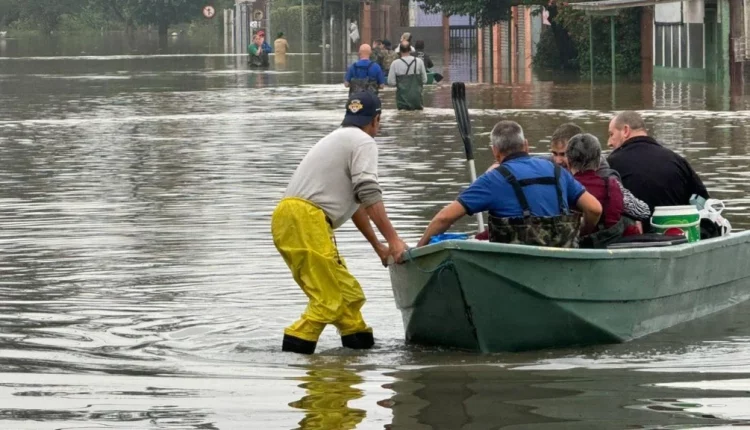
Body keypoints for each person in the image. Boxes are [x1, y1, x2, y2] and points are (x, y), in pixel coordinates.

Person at [271, 91, 407, 355]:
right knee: (328, 300)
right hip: (305, 220)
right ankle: (294, 367)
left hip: (295, 219)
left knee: (347, 296)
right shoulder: (364, 142)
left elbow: (356, 205)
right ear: (376, 120)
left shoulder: (340, 137)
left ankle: (353, 369)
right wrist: (394, 240)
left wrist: (379, 247)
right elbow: (368, 192)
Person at [416, 121, 602, 248]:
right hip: (562, 259)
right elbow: (594, 209)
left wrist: (418, 249)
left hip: (516, 264)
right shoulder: (556, 170)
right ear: (526, 145)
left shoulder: (492, 179)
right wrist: (580, 232)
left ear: (495, 152)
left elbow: (444, 218)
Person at [607, 111, 709, 214]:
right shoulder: (678, 161)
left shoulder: (611, 164)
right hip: (677, 226)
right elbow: (703, 202)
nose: (609, 143)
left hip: (636, 228)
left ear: (625, 130)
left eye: (611, 134)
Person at [566, 134, 642, 248]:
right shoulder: (611, 185)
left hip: (573, 244)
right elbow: (643, 211)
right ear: (598, 162)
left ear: (568, 162)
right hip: (608, 244)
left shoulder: (563, 187)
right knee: (631, 221)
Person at [387, 42, 427, 110]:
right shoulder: (419, 61)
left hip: (402, 101)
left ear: (399, 50)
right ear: (410, 50)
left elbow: (391, 82)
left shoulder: (395, 63)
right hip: (417, 100)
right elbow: (424, 80)